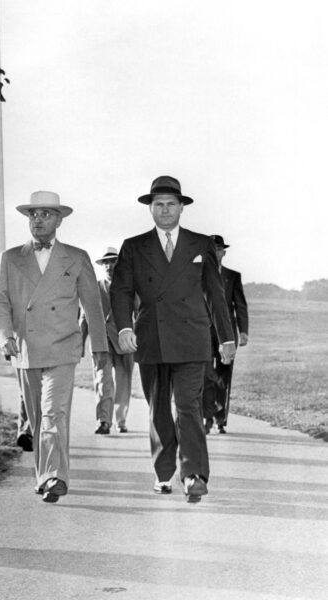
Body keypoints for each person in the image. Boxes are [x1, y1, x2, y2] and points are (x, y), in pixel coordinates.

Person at [110, 176, 235, 502]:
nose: (165, 210)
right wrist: (125, 328)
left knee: (188, 406)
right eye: (158, 204)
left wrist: (226, 337)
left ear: (181, 207)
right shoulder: (133, 247)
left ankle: (193, 474)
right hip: (150, 339)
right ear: (151, 209)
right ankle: (163, 472)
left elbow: (215, 294)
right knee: (158, 411)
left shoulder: (200, 244)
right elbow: (120, 290)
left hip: (192, 339)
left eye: (170, 204)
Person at [0, 190, 108, 503]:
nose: (38, 220)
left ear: (59, 220)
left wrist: (99, 347)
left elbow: (92, 305)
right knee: (38, 416)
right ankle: (43, 475)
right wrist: (6, 337)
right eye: (33, 214)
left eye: (45, 214)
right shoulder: (10, 258)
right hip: (25, 348)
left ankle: (56, 476)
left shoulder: (77, 256)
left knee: (55, 412)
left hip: (63, 347)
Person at [80, 247, 135, 434]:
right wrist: (80, 344)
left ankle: (121, 420)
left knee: (123, 383)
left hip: (125, 342)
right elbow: (84, 318)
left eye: (113, 262)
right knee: (103, 382)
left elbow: (141, 314)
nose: (110, 266)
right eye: (106, 263)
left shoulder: (130, 288)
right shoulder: (93, 288)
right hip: (100, 343)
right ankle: (104, 421)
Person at [203, 234, 249, 434]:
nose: (215, 253)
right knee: (205, 374)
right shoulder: (198, 273)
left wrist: (244, 330)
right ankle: (207, 417)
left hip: (228, 334)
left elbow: (240, 305)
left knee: (224, 376)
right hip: (203, 333)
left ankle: (220, 420)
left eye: (219, 249)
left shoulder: (233, 276)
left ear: (223, 252)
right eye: (211, 249)